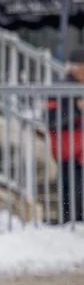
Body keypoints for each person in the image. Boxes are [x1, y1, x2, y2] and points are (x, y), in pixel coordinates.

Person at [45, 49, 84, 224]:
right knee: (71, 188)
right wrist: (77, 111)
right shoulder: (61, 88)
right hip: (69, 149)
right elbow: (52, 119)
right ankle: (70, 221)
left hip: (77, 149)